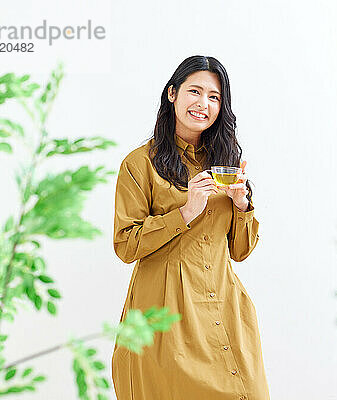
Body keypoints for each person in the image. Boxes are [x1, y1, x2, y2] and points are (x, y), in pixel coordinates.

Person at [111, 55, 270, 400]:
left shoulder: (225, 162)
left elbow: (240, 252)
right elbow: (125, 244)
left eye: (214, 97)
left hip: (224, 307)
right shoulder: (139, 164)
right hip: (166, 318)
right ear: (172, 94)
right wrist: (184, 213)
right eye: (194, 91)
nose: (203, 104)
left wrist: (242, 205)